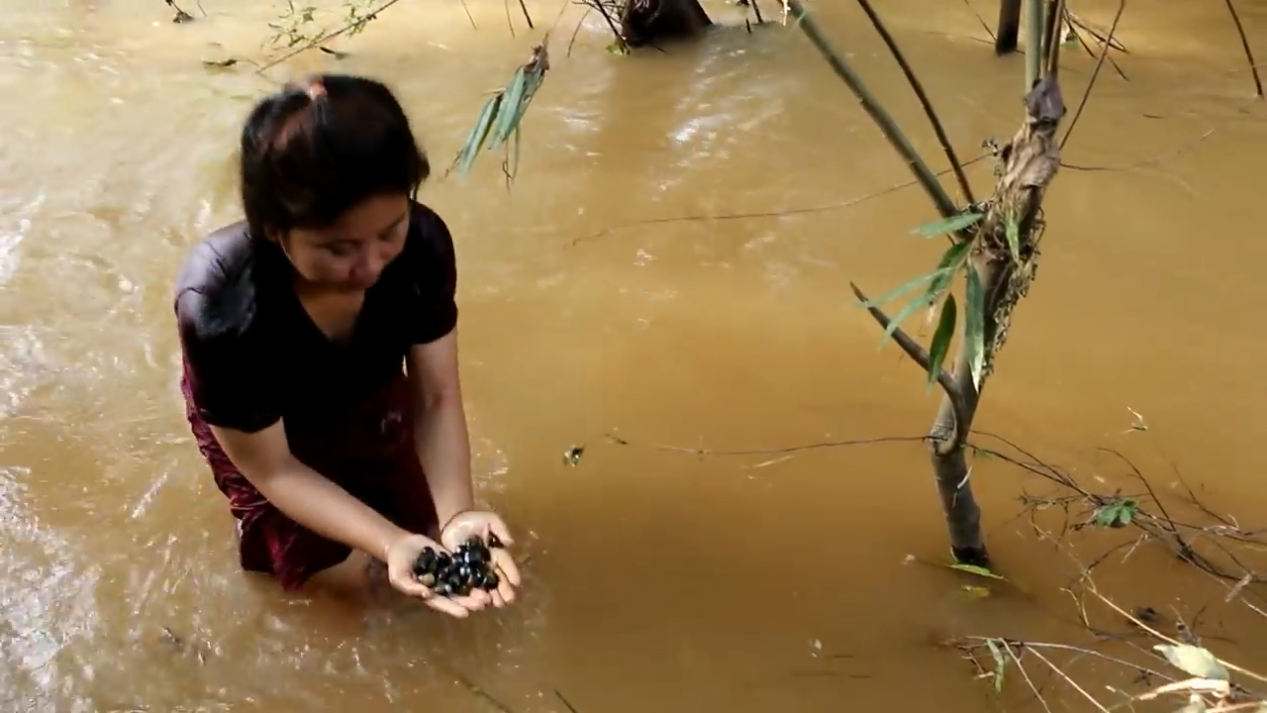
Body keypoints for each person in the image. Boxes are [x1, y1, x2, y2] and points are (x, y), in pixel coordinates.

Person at [173, 73, 519, 618]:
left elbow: (435, 398)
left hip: (363, 379)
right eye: (338, 248)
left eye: (389, 231)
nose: (371, 265)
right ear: (271, 226)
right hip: (258, 411)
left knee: (418, 515)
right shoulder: (219, 305)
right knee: (332, 574)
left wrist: (455, 519)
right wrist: (386, 544)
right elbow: (275, 470)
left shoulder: (422, 246)